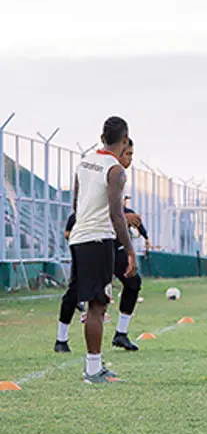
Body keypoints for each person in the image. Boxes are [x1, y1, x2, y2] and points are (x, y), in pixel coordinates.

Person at [56, 139, 147, 354]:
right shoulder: (108, 172)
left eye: (133, 155)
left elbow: (116, 212)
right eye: (128, 154)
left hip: (112, 248)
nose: (130, 159)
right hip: (95, 244)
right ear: (119, 149)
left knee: (133, 283)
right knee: (83, 295)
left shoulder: (112, 175)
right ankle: (62, 339)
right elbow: (93, 212)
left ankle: (121, 334)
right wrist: (125, 218)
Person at [66, 116, 136, 383]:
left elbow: (75, 202)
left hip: (80, 236)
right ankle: (93, 370)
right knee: (98, 305)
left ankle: (94, 366)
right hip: (98, 239)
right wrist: (129, 250)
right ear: (124, 138)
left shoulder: (84, 162)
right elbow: (117, 214)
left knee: (94, 304)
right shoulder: (115, 169)